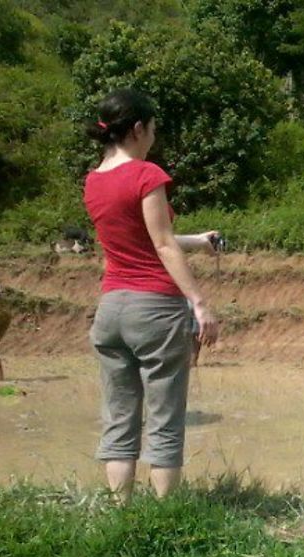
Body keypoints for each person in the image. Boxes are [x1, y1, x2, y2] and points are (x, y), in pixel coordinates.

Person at [83, 88, 219, 501]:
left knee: (120, 417)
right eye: (153, 128)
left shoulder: (94, 180)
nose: (155, 137)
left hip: (111, 310)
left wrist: (196, 240)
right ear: (138, 128)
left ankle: (120, 511)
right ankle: (163, 518)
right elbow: (160, 245)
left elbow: (139, 236)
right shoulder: (147, 175)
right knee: (165, 416)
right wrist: (199, 303)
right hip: (156, 309)